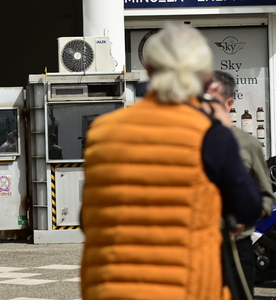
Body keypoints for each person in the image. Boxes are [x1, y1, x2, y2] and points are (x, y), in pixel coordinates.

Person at [80, 23, 263, 300]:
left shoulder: (103, 130)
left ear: (150, 70)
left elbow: (87, 219)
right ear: (203, 77)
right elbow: (248, 208)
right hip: (187, 288)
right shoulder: (209, 134)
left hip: (109, 287)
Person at [204, 70, 275, 299]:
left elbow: (266, 195)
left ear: (229, 102)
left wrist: (250, 212)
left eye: (210, 99)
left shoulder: (247, 144)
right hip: (197, 244)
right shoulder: (187, 140)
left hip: (237, 244)